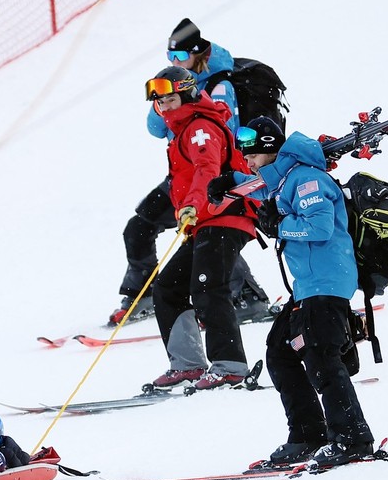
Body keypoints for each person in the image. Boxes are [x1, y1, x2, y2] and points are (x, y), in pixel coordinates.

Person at [208, 117, 375, 466]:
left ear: (270, 148)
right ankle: (307, 435)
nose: (248, 162)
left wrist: (279, 224)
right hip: (308, 286)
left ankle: (353, 439)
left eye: (252, 155)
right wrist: (229, 182)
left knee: (321, 357)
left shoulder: (307, 179)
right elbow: (258, 186)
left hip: (327, 282)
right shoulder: (283, 179)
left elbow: (320, 227)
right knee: (280, 352)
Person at [111, 17, 272, 327]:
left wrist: (204, 189)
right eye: (170, 55)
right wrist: (163, 100)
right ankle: (142, 294)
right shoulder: (174, 85)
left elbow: (223, 139)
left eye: (181, 55)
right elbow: (155, 129)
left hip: (213, 178)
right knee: (140, 226)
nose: (175, 61)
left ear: (200, 53)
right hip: (181, 177)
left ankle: (249, 298)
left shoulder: (220, 86)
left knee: (215, 234)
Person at [143, 66, 258, 391]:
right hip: (204, 221)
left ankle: (230, 366)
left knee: (208, 287)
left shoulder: (200, 128)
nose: (165, 108)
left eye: (170, 100)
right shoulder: (183, 130)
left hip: (223, 216)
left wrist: (193, 203)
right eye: (160, 103)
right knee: (168, 287)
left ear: (187, 94)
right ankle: (188, 365)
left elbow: (207, 168)